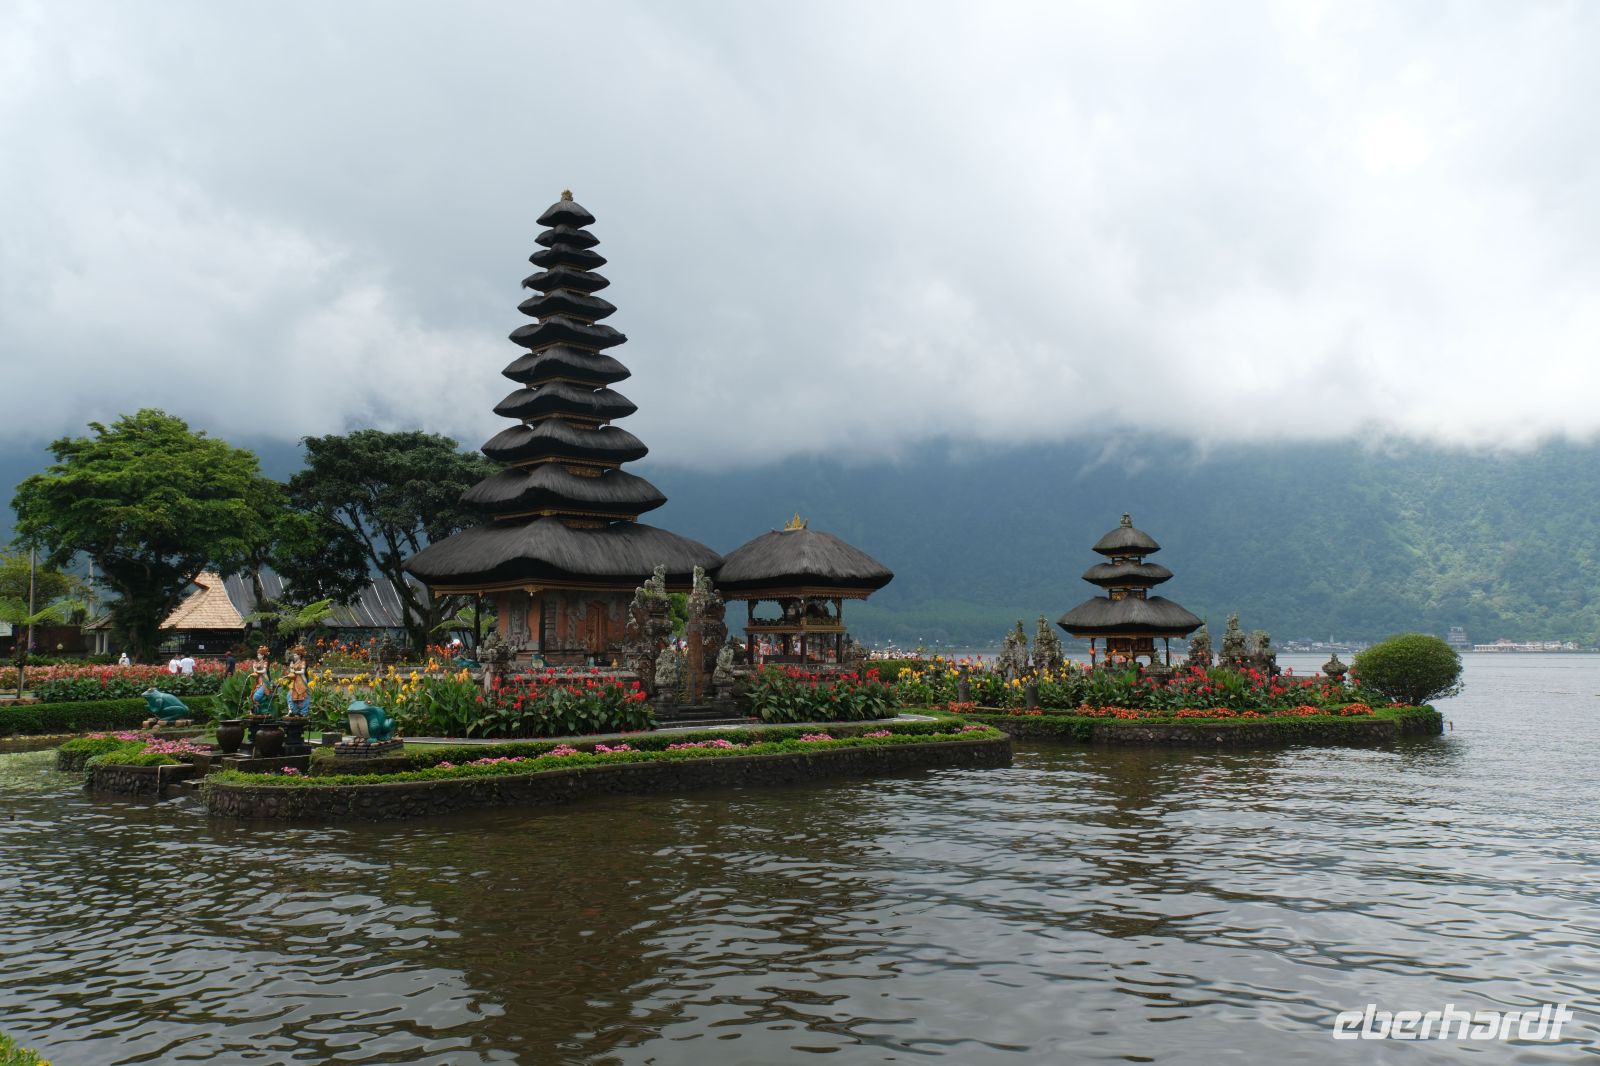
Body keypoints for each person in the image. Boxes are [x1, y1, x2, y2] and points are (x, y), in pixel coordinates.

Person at [284, 644, 311, 717]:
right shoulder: (294, 663)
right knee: (290, 695)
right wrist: (291, 668)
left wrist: (294, 672)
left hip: (301, 681)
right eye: (294, 655)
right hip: (295, 681)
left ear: (299, 656)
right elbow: (292, 671)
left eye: (296, 655)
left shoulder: (303, 662)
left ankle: (303, 712)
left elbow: (302, 672)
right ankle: (293, 711)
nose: (294, 656)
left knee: (303, 696)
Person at [248, 645, 273, 715]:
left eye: (260, 655)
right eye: (258, 655)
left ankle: (262, 709)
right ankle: (257, 710)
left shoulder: (265, 662)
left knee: (256, 696)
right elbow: (255, 670)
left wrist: (256, 670)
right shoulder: (257, 662)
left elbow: (264, 671)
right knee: (252, 695)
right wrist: (254, 668)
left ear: (263, 656)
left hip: (264, 681)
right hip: (258, 681)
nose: (258, 656)